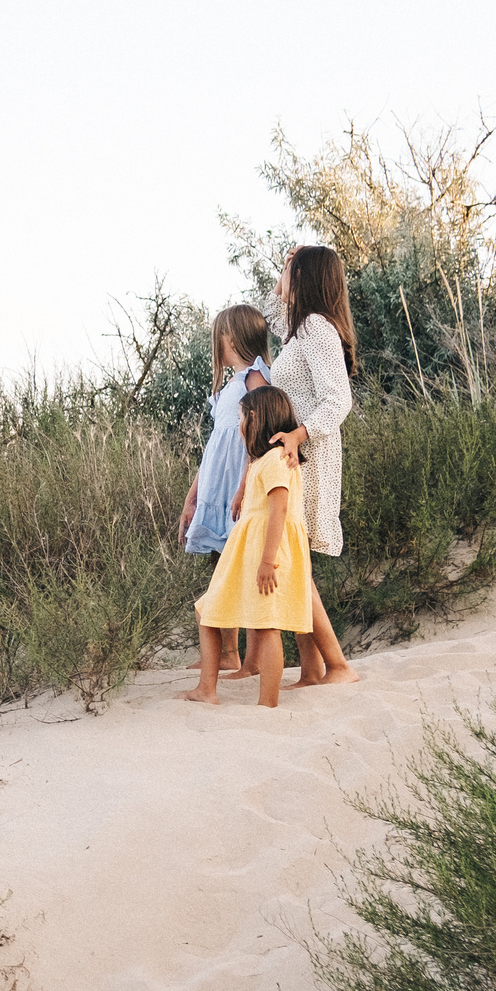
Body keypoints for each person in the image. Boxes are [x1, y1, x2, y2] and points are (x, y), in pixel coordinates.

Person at [257, 244, 361, 686]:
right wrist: (286, 267)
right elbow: (267, 309)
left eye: (291, 271)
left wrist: (300, 434)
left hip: (310, 457)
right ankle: (313, 670)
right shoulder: (297, 331)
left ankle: (337, 665)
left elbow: (339, 400)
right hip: (295, 458)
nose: (285, 279)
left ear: (307, 279)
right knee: (297, 561)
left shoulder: (317, 328)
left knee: (295, 561)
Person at [182, 386, 313, 709]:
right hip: (248, 551)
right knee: (209, 611)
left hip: (262, 553)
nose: (238, 424)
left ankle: (266, 703)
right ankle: (207, 689)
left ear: (254, 418)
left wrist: (268, 561)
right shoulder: (266, 461)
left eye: (240, 417)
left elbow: (279, 509)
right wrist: (243, 491)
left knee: (265, 625)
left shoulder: (275, 460)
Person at [178, 303, 273, 678]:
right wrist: (193, 497)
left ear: (230, 338)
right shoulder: (228, 387)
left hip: (238, 487)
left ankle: (245, 658)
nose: (215, 342)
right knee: (221, 563)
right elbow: (215, 446)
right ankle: (227, 652)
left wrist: (245, 483)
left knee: (241, 566)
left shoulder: (255, 378)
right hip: (216, 488)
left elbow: (260, 435)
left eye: (219, 335)